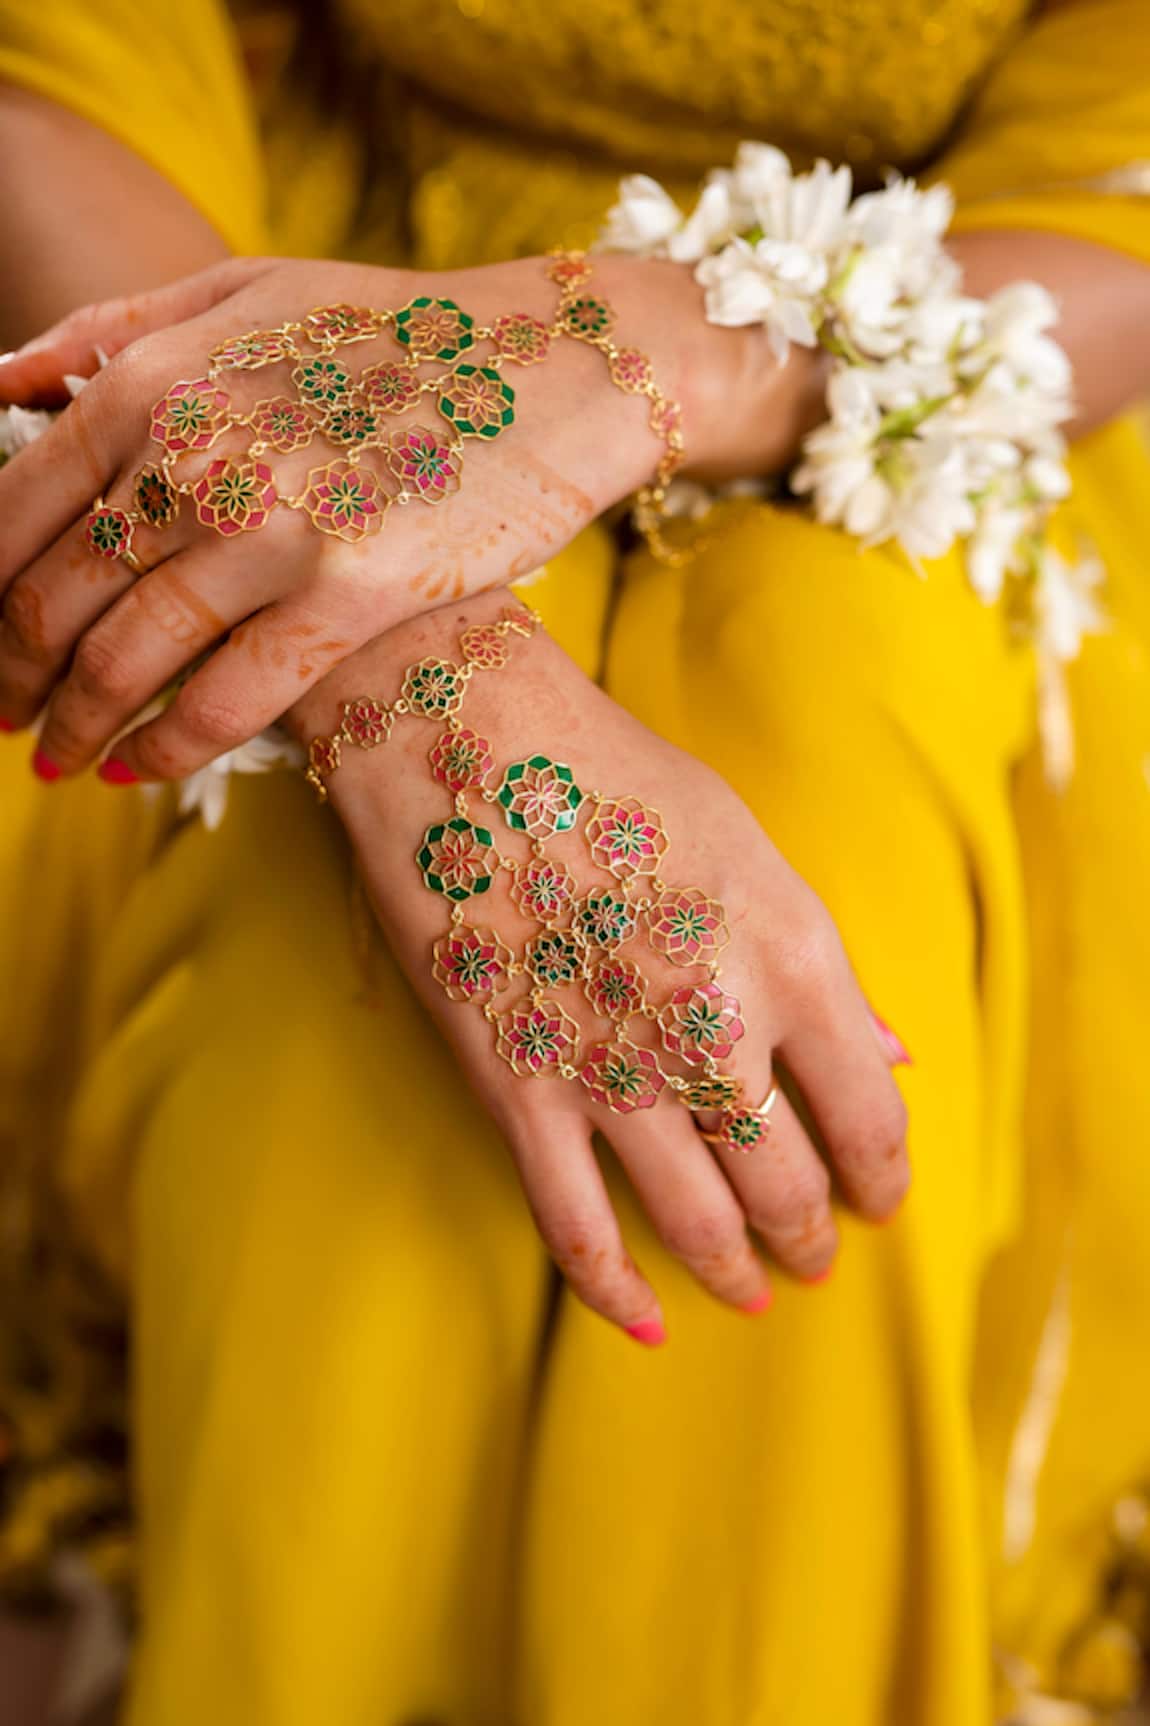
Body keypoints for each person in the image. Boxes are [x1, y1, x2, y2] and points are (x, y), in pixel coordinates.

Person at [0, 2, 1148, 1722]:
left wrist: (628, 351)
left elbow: (1110, 194)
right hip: (272, 292)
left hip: (929, 356)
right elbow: (73, 72)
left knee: (839, 886)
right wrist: (391, 640)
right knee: (314, 963)